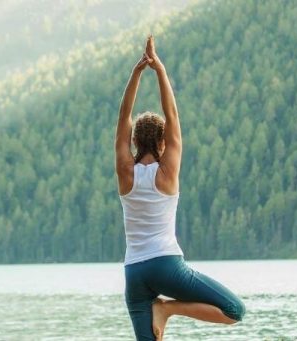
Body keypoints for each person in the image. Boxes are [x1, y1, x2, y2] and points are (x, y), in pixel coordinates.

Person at [115, 36, 246, 341]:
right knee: (234, 310)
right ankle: (169, 310)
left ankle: (162, 311)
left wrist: (136, 73)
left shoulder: (126, 174)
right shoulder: (167, 173)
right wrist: (159, 69)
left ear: (134, 142)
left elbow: (124, 118)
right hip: (166, 266)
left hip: (134, 274)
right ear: (163, 143)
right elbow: (172, 115)